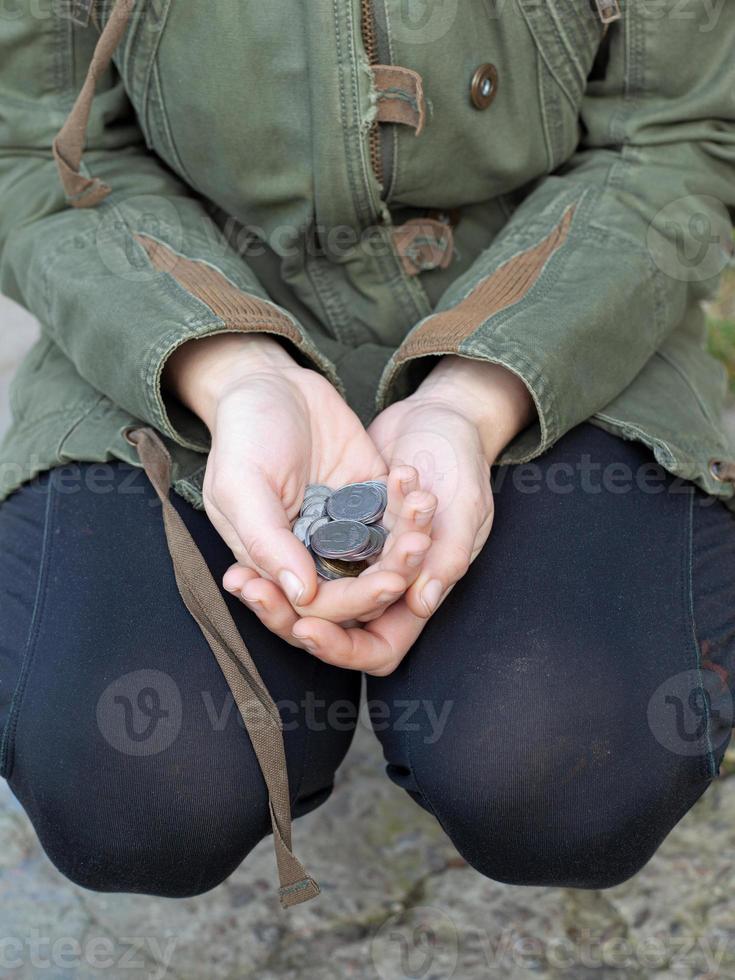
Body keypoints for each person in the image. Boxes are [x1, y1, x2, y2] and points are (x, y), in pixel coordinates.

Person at [0, 0, 734, 905]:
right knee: (136, 788)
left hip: (560, 291)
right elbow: (38, 150)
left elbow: (674, 143)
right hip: (169, 292)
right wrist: (226, 371)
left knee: (558, 765)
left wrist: (473, 397)